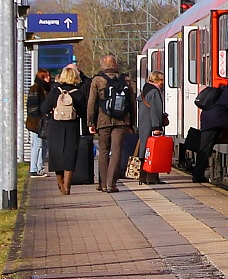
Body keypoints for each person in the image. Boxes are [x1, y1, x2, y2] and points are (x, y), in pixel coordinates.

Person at [87, 54, 135, 193]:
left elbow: (92, 103)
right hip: (122, 121)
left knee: (103, 151)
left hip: (103, 121)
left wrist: (90, 122)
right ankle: (111, 184)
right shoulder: (125, 79)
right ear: (115, 65)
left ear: (103, 65)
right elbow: (132, 103)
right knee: (116, 151)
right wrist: (132, 122)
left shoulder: (97, 80)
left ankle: (102, 183)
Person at [40, 66, 88, 195]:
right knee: (70, 155)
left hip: (55, 126)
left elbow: (44, 108)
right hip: (72, 126)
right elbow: (84, 113)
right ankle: (67, 186)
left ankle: (60, 184)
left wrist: (52, 112)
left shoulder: (55, 91)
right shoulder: (78, 93)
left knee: (56, 155)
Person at [192, 83, 228, 184]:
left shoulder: (214, 92)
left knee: (204, 148)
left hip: (206, 120)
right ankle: (197, 175)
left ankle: (198, 174)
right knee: (204, 149)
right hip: (218, 120)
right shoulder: (227, 93)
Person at [137, 71, 167, 184]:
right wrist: (156, 127)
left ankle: (143, 176)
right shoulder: (154, 91)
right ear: (157, 80)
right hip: (151, 124)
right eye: (161, 80)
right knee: (153, 150)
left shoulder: (146, 89)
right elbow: (155, 110)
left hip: (144, 122)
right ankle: (151, 177)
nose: (162, 83)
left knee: (146, 149)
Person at [25, 68, 52, 177]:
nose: (49, 78)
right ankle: (34, 168)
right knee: (37, 145)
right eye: (46, 76)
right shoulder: (35, 89)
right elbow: (32, 107)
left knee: (44, 145)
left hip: (44, 122)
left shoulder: (46, 88)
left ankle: (40, 168)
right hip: (37, 123)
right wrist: (40, 116)